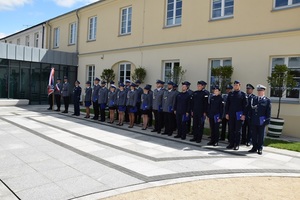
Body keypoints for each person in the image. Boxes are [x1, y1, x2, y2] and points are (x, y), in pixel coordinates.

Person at [248, 84, 271, 155]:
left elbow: (268, 112)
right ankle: (254, 147)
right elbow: (250, 110)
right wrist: (249, 119)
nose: (259, 92)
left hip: (262, 121)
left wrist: (267, 121)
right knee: (254, 135)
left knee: (261, 135)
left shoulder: (267, 100)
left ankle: (260, 148)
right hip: (254, 120)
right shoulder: (254, 99)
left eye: (260, 90)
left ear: (264, 91)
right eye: (258, 90)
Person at [225, 80, 247, 150]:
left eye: (237, 85)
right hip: (231, 115)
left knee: (238, 130)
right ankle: (231, 143)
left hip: (239, 115)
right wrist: (227, 113)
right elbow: (227, 105)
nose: (235, 86)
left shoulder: (243, 94)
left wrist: (244, 115)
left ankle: (237, 144)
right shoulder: (230, 94)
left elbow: (245, 106)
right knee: (231, 130)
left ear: (239, 86)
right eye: (234, 85)